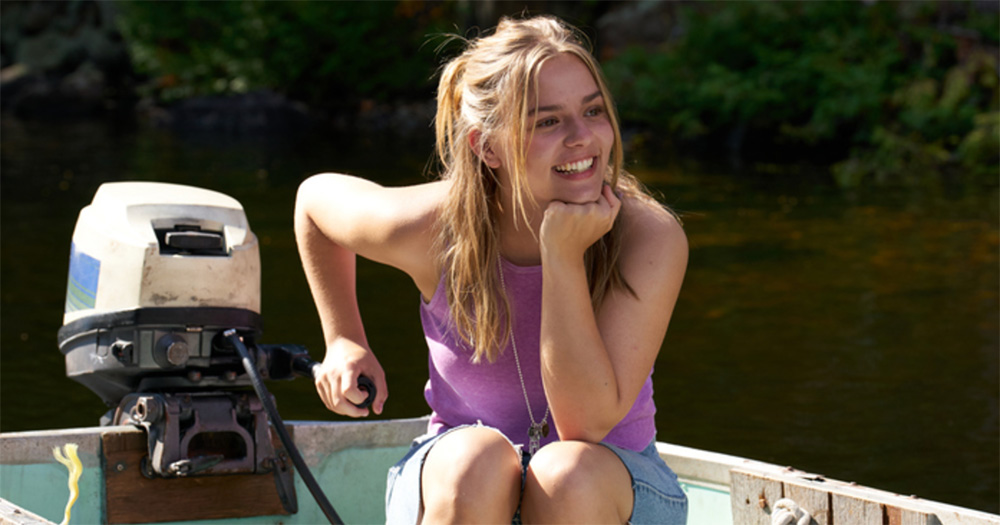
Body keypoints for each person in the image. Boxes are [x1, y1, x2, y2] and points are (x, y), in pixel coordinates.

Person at [295, 15, 689, 524]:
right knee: (474, 460)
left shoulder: (647, 237)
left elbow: (584, 425)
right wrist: (344, 338)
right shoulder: (435, 229)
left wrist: (563, 258)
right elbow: (314, 203)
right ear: (488, 147)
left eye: (593, 111)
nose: (582, 138)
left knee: (567, 472)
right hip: (459, 489)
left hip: (611, 489)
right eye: (547, 121)